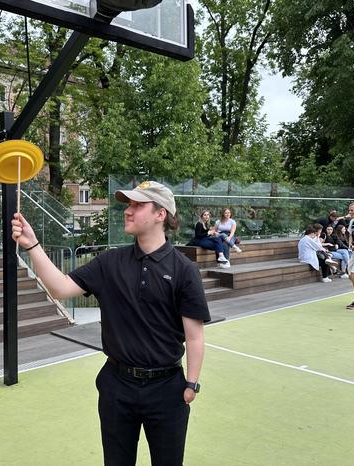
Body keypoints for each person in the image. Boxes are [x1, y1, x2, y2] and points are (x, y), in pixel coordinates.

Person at [11, 180, 211, 465]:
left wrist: (191, 384)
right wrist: (32, 245)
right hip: (117, 385)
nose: (128, 211)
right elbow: (61, 288)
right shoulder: (110, 262)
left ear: (160, 214)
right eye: (128, 204)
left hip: (167, 389)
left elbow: (194, 336)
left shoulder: (184, 270)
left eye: (137, 205)